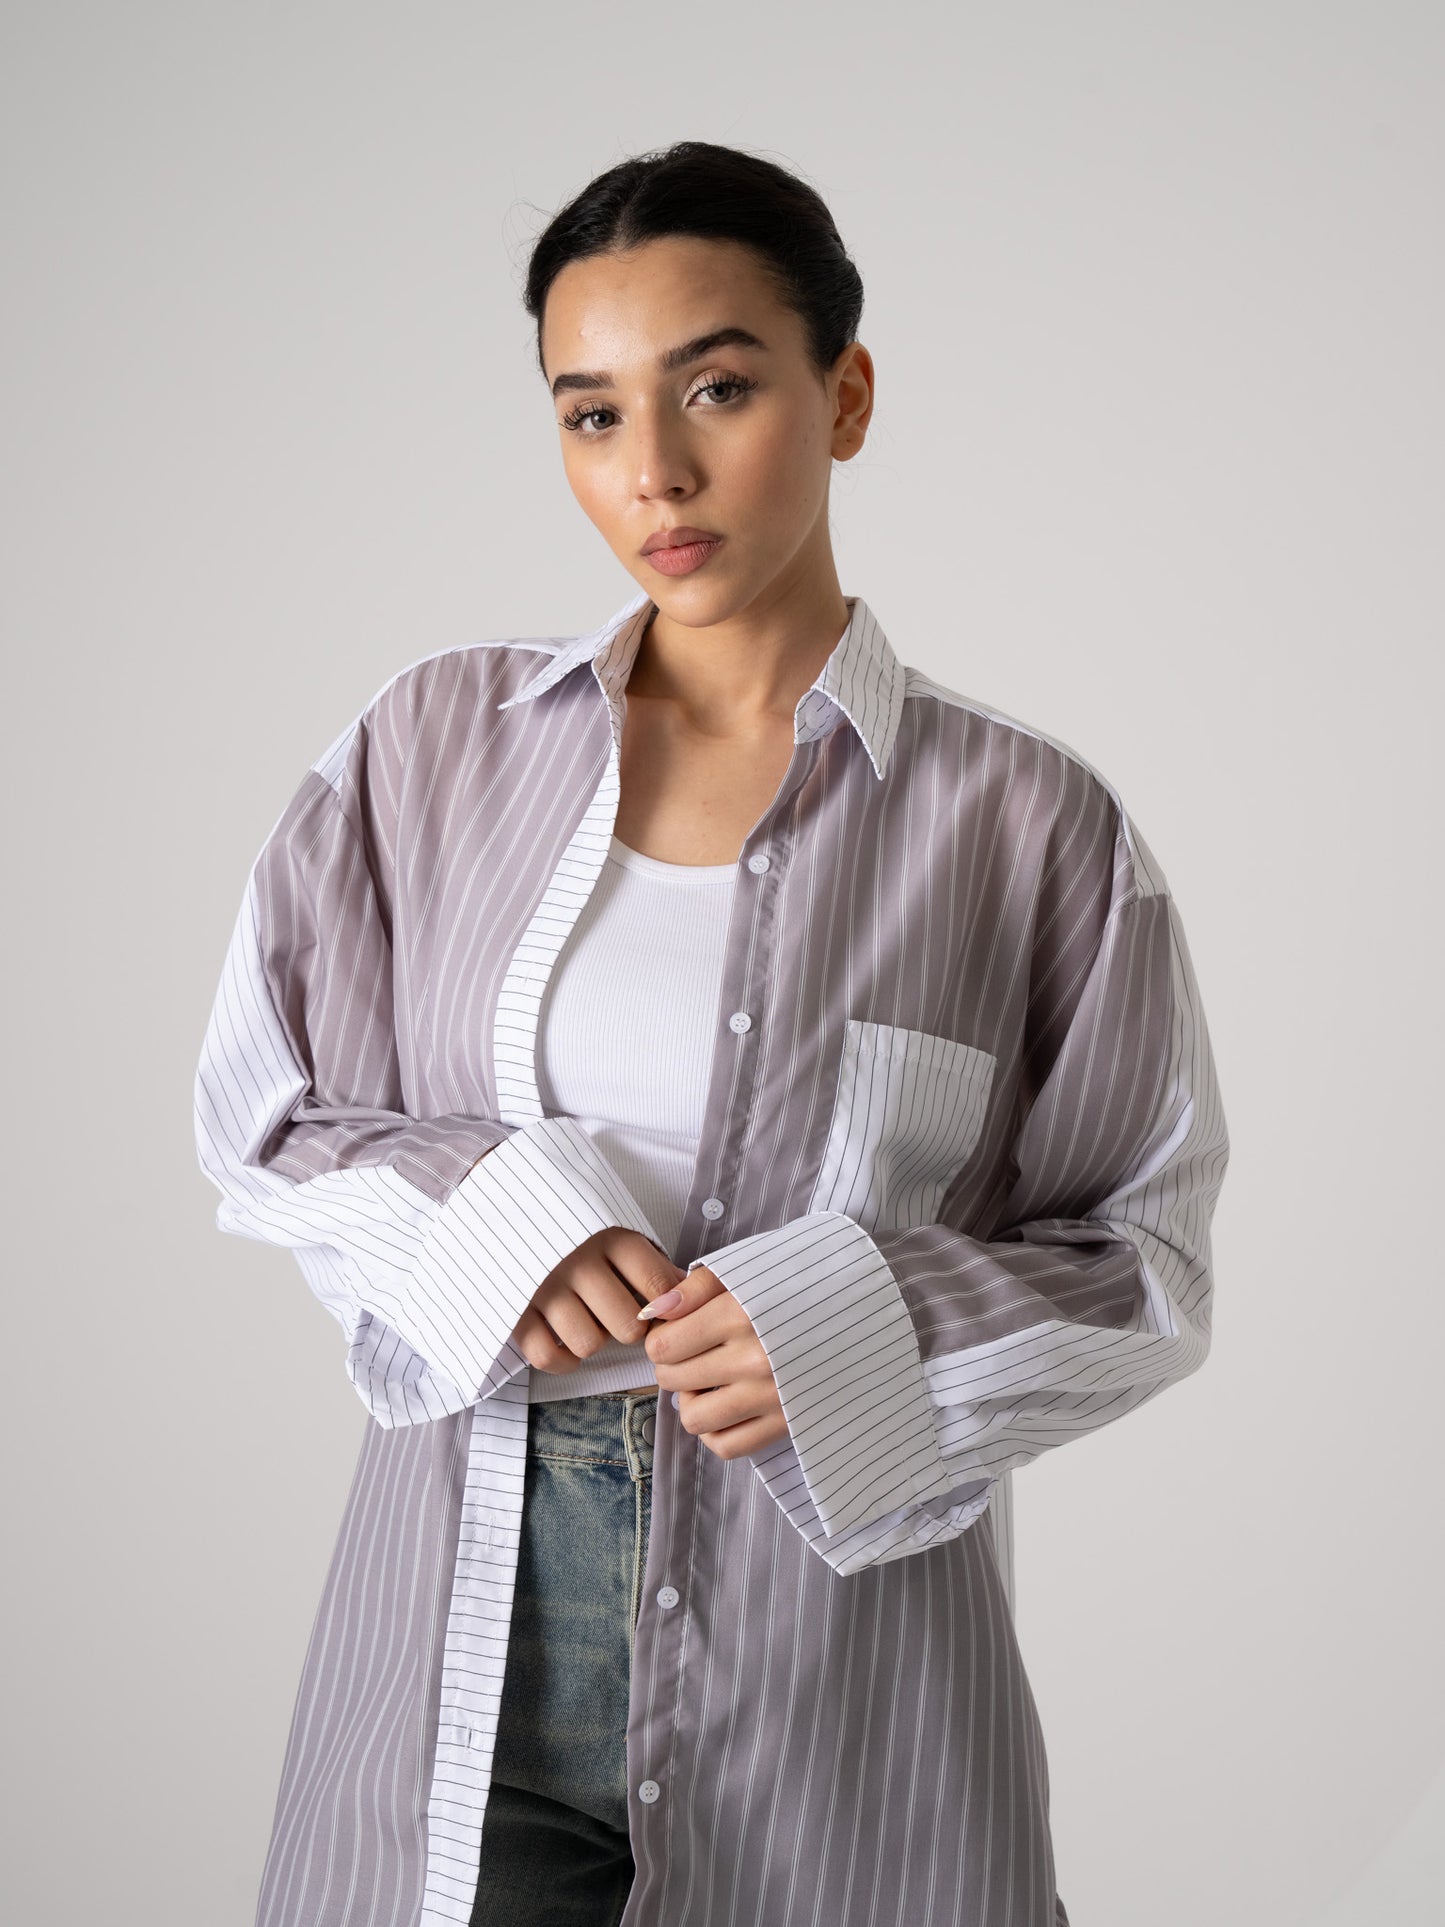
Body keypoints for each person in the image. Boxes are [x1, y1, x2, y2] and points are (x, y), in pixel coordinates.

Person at [194, 139, 1228, 1927]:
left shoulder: (1027, 827)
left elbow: (1139, 1262)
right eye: (588, 415)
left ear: (845, 396)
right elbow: (265, 1111)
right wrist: (503, 1211)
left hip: (845, 1684)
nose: (652, 471)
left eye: (717, 388)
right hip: (462, 1642)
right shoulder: (430, 750)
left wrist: (849, 1314)